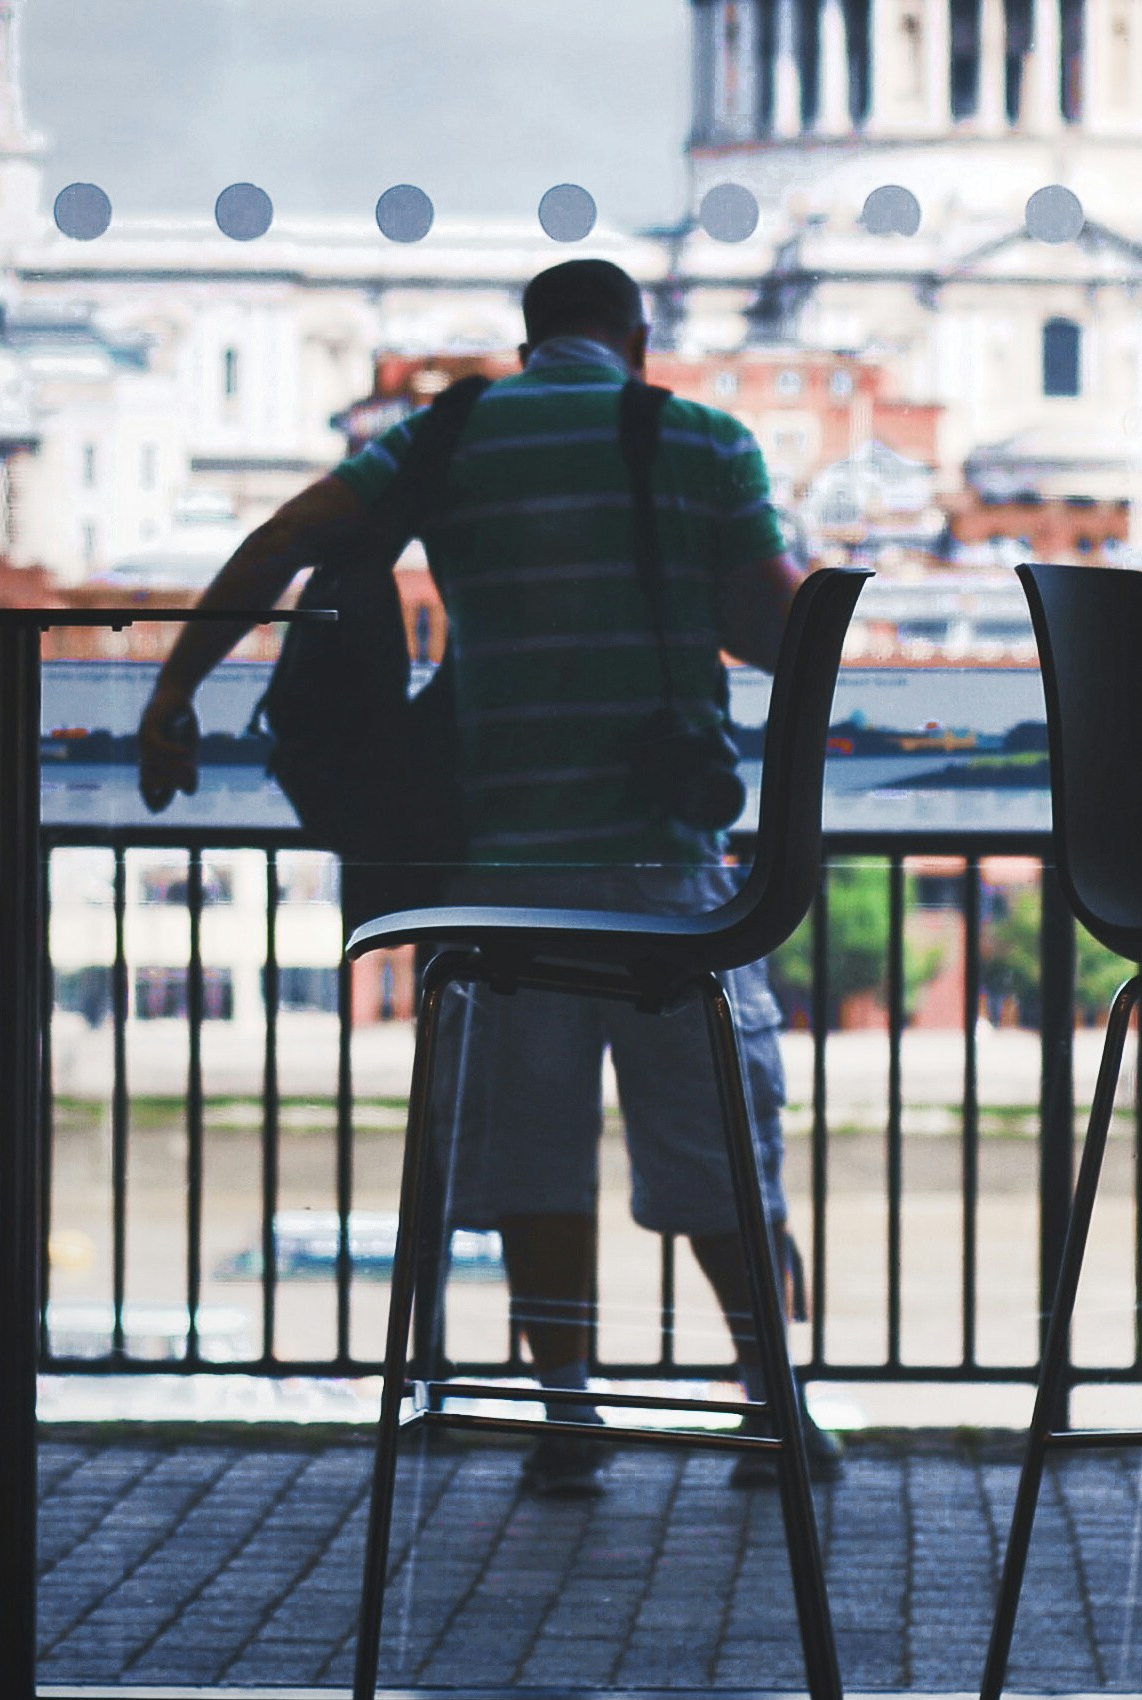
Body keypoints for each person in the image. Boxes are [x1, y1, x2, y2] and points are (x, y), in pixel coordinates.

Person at [134, 258, 822, 1497]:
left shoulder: (448, 434)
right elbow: (777, 631)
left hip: (501, 872)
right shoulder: (704, 440)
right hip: (667, 865)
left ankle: (568, 1413)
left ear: (529, 335)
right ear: (635, 336)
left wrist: (174, 689)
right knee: (718, 1147)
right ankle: (772, 1405)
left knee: (530, 1154)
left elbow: (282, 540)